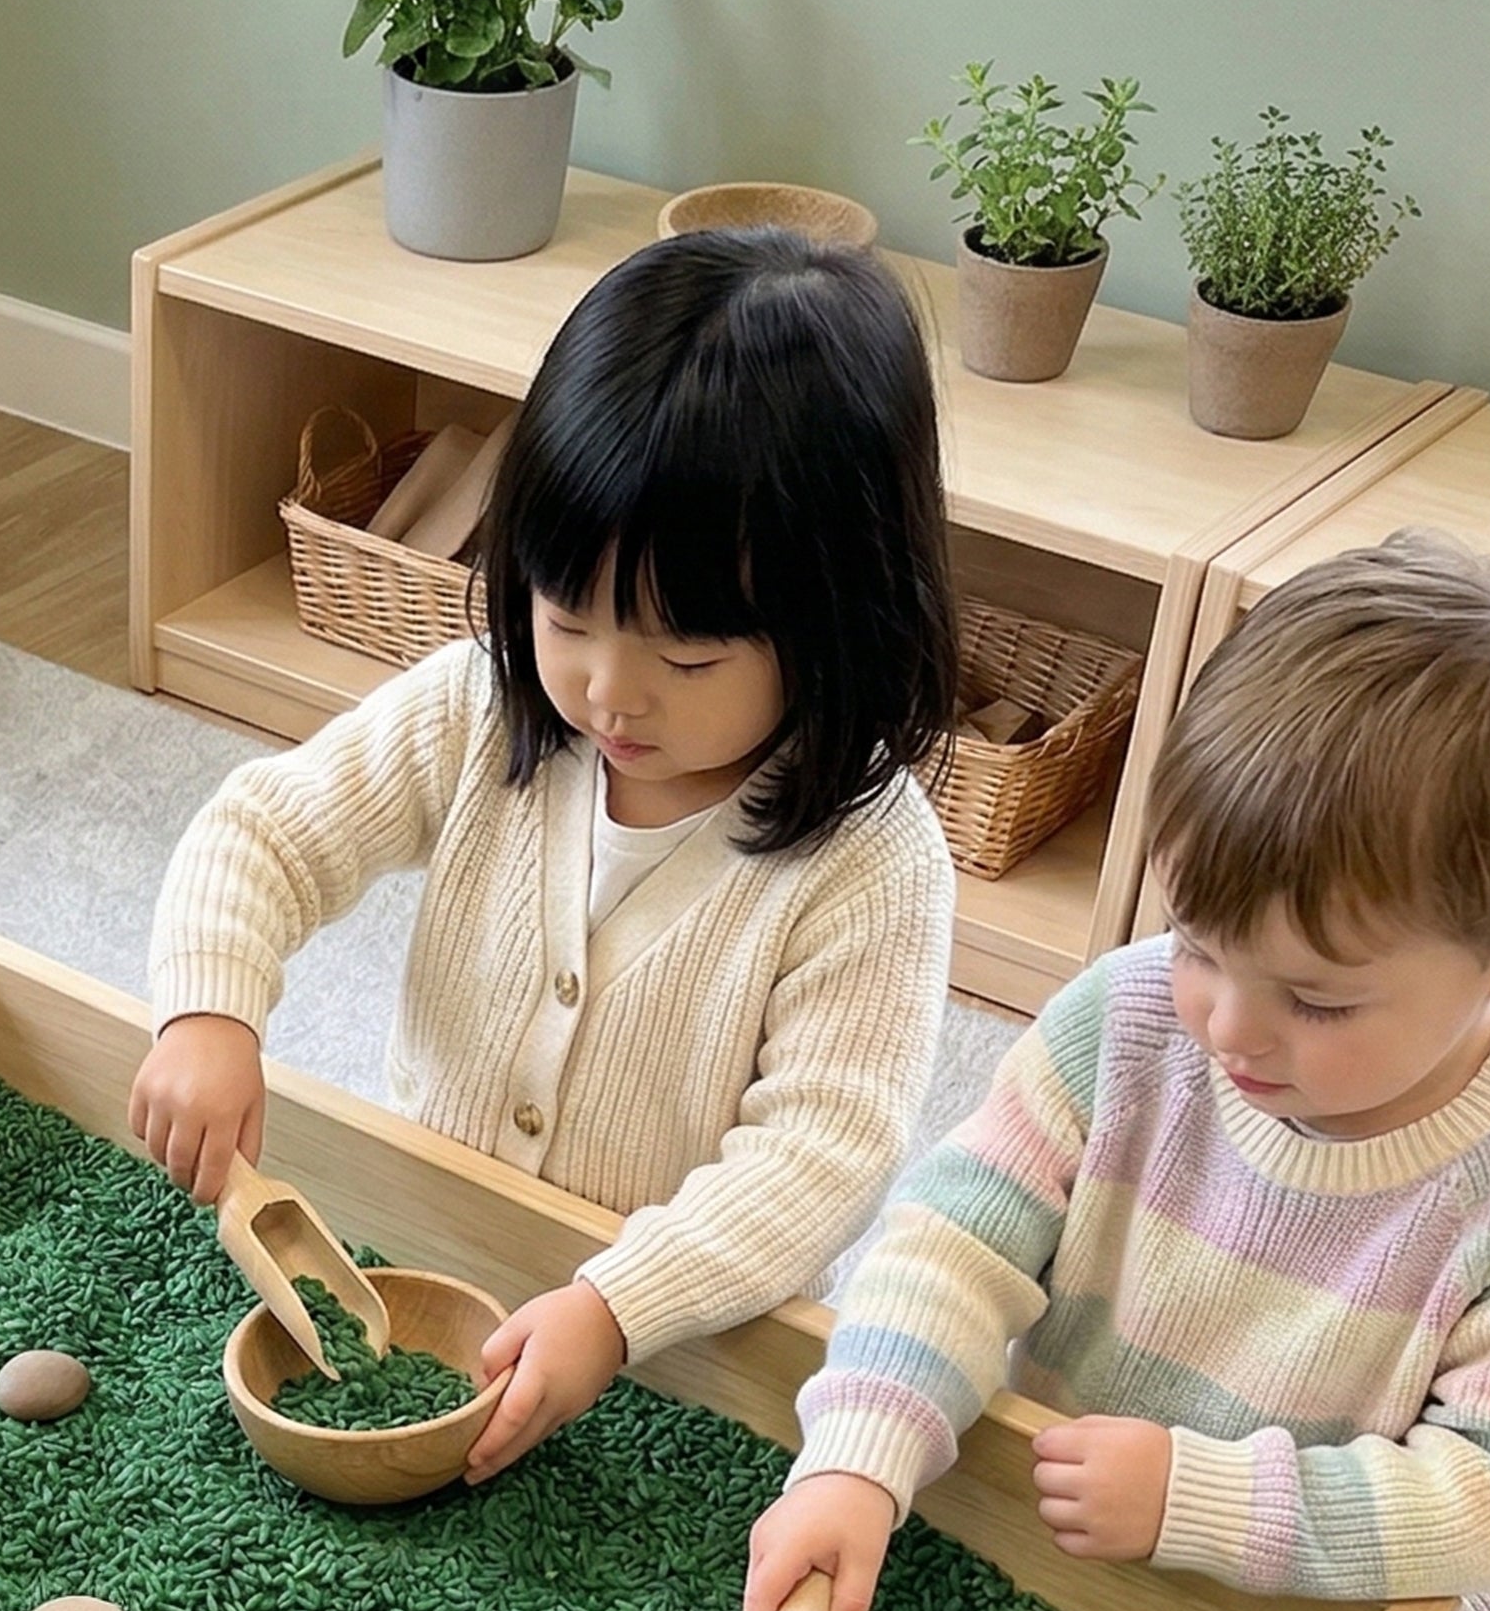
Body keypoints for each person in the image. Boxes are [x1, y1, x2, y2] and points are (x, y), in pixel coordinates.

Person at [748, 530, 1490, 1611]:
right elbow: (956, 1242)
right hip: (1056, 1517)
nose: (1227, 1027)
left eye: (1318, 1001)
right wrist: (860, 1451)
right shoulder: (1126, 1020)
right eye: (1196, 944)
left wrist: (1205, 1499)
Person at [131, 226, 961, 1480]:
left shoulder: (872, 864)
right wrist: (208, 1013)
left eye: (688, 658)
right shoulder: (479, 707)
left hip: (681, 1337)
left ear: (843, 620)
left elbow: (819, 1158)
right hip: (424, 1245)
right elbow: (268, 833)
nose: (610, 692)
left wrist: (615, 1308)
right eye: (567, 619)